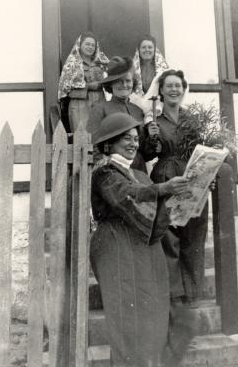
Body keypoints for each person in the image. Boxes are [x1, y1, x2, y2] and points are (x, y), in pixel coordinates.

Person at [90, 112, 191, 367]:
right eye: (126, 138)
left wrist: (183, 195)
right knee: (126, 320)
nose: (134, 144)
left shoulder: (137, 173)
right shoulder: (105, 173)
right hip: (115, 248)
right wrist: (164, 189)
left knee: (147, 319)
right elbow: (127, 195)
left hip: (141, 249)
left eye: (136, 139)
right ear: (108, 144)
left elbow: (152, 212)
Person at [143, 69, 208, 306]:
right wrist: (150, 138)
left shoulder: (193, 119)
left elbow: (203, 150)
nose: (174, 90)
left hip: (193, 179)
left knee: (194, 235)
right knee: (169, 236)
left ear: (183, 89)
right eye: (169, 86)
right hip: (167, 177)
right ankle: (175, 295)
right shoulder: (155, 122)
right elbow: (148, 154)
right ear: (160, 90)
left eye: (178, 86)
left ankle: (192, 292)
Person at [87, 56, 147, 171]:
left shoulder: (138, 111)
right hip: (112, 169)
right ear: (111, 84)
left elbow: (143, 149)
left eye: (128, 81)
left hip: (139, 169)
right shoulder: (100, 108)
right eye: (119, 81)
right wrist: (104, 164)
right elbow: (91, 143)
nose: (124, 85)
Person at [58, 31, 109, 131]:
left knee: (99, 138)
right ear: (80, 45)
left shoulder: (101, 63)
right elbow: (66, 89)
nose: (90, 47)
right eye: (87, 44)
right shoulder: (72, 63)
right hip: (79, 105)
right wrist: (89, 86)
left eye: (93, 45)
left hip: (99, 103)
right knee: (82, 138)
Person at [130, 34, 169, 124]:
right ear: (138, 50)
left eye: (150, 47)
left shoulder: (163, 69)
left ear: (154, 49)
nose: (147, 50)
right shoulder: (132, 69)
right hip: (137, 108)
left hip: (159, 108)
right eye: (143, 47)